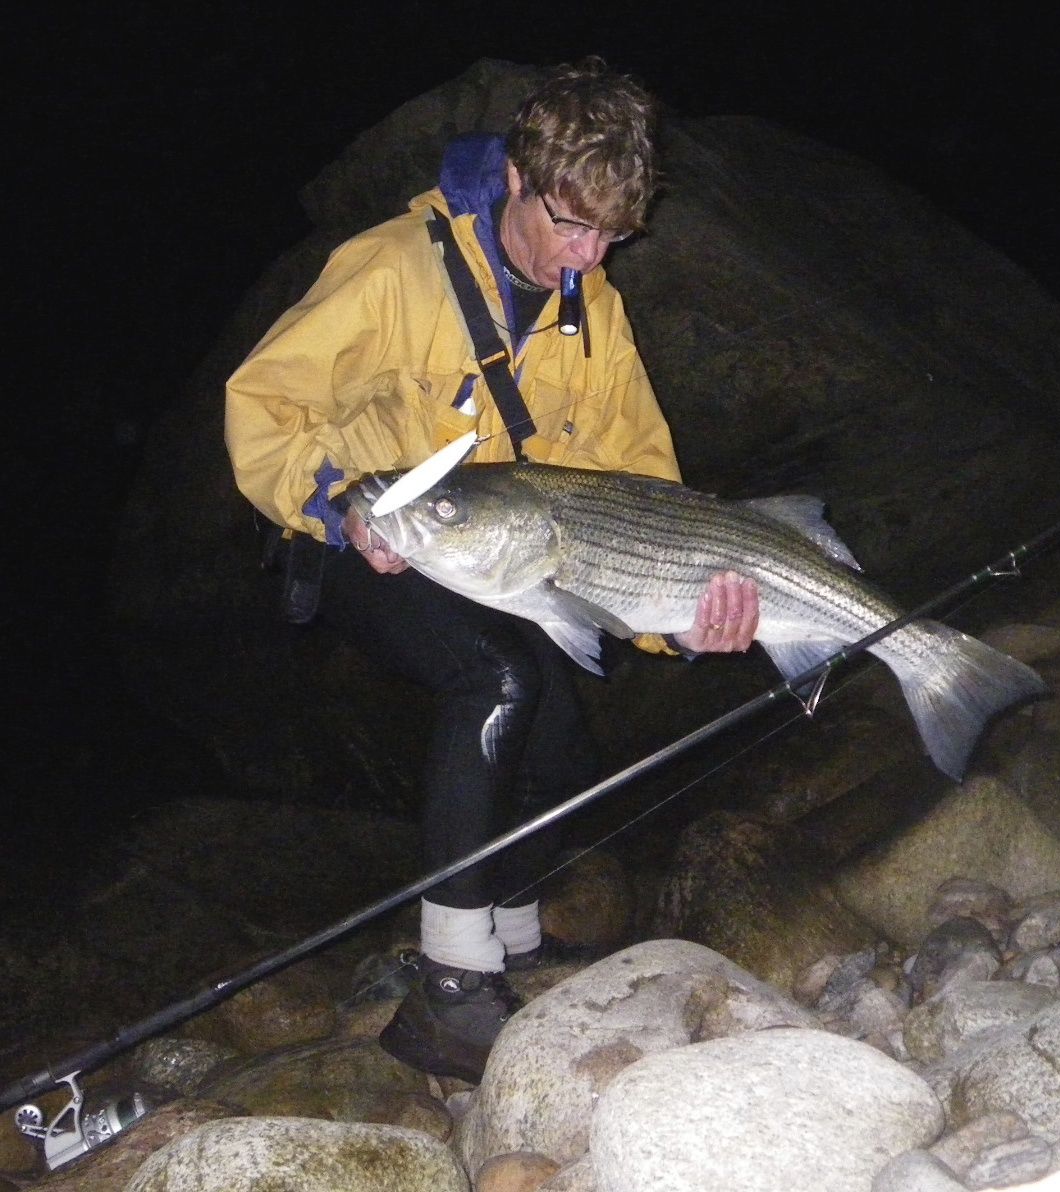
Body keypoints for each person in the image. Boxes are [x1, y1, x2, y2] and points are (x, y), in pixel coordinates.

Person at [224, 56, 758, 1083]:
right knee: (500, 680)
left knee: (563, 745)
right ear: (517, 177)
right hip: (359, 534)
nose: (588, 256)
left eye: (612, 236)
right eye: (572, 225)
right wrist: (337, 502)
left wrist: (682, 619)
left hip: (497, 553)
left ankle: (512, 937)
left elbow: (643, 491)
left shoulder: (594, 310)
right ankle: (452, 985)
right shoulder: (391, 270)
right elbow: (262, 404)